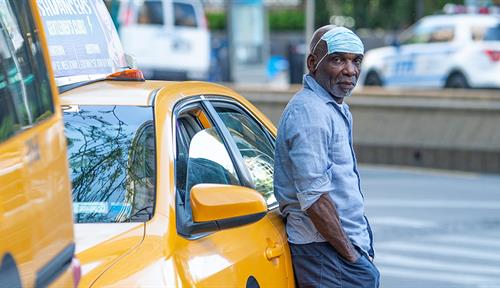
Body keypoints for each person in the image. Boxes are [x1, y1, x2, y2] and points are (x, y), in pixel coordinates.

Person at [274, 25, 380, 288]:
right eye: (338, 59)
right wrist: (351, 257)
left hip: (336, 249)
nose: (350, 70)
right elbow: (314, 198)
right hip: (324, 251)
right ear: (313, 63)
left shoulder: (331, 108)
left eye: (356, 61)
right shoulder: (310, 113)